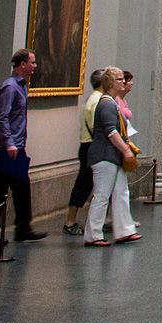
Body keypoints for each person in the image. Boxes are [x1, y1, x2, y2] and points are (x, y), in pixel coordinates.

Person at [0, 49, 47, 243]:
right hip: (9, 148)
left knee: (21, 188)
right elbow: (2, 117)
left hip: (16, 146)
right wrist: (9, 143)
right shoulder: (10, 87)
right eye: (32, 62)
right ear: (22, 64)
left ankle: (22, 228)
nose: (35, 66)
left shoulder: (21, 86)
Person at [83, 68, 142, 246]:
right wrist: (125, 150)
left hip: (112, 156)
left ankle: (125, 230)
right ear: (110, 82)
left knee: (121, 192)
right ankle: (93, 235)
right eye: (119, 79)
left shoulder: (112, 103)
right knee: (102, 195)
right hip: (104, 156)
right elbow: (111, 131)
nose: (123, 82)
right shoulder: (107, 104)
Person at [64, 67, 110, 235]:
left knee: (91, 184)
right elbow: (96, 128)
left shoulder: (95, 98)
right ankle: (70, 221)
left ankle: (103, 219)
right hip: (91, 146)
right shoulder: (97, 101)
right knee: (84, 184)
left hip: (89, 145)